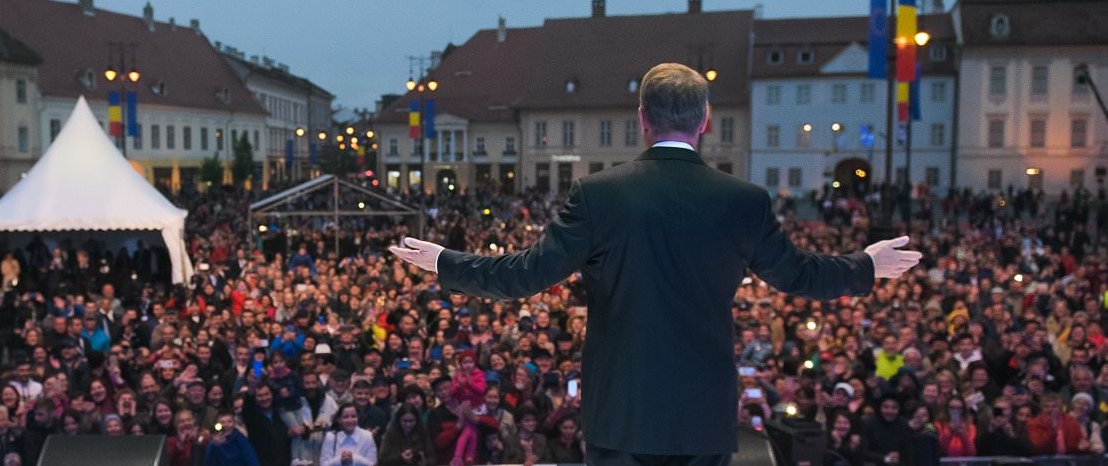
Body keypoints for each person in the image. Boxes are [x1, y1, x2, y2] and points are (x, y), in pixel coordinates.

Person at [391, 62, 921, 466]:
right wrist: (866, 266)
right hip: (703, 416)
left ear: (642, 120)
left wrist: (444, 261)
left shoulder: (599, 196)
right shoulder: (744, 200)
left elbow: (524, 276)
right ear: (705, 121)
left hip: (621, 415)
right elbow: (800, 275)